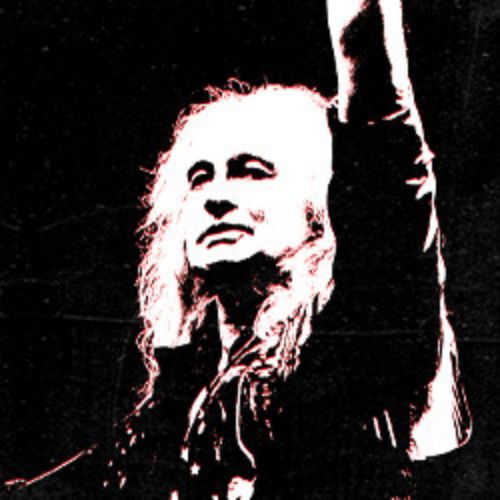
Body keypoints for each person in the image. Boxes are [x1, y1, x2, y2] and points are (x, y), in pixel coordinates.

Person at [5, 0, 471, 498]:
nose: (216, 197)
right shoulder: (173, 406)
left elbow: (382, 127)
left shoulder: (361, 341)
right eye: (199, 178)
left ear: (318, 208)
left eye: (252, 172)